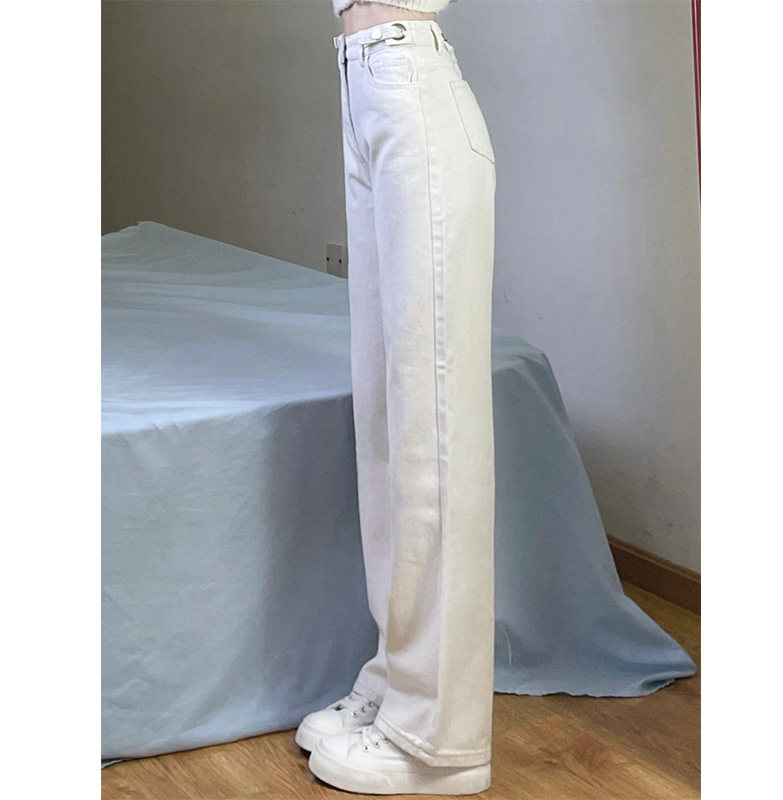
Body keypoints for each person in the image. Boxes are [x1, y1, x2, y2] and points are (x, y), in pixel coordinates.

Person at [296, 1, 497, 794]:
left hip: (409, 82)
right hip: (365, 86)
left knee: (432, 432)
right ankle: (399, 677)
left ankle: (441, 740)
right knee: (386, 421)